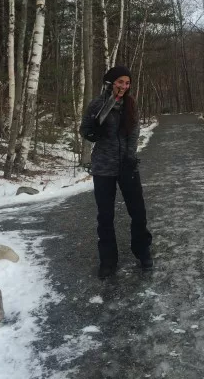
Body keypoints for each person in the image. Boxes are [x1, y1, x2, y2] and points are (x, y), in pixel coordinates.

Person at [80, 65, 153, 279]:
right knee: (105, 215)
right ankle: (108, 260)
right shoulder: (97, 104)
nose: (123, 86)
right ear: (111, 83)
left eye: (127, 83)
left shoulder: (130, 104)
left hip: (127, 165)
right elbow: (84, 130)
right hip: (103, 167)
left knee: (138, 211)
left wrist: (130, 157)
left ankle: (142, 251)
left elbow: (135, 131)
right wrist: (94, 132)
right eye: (120, 82)